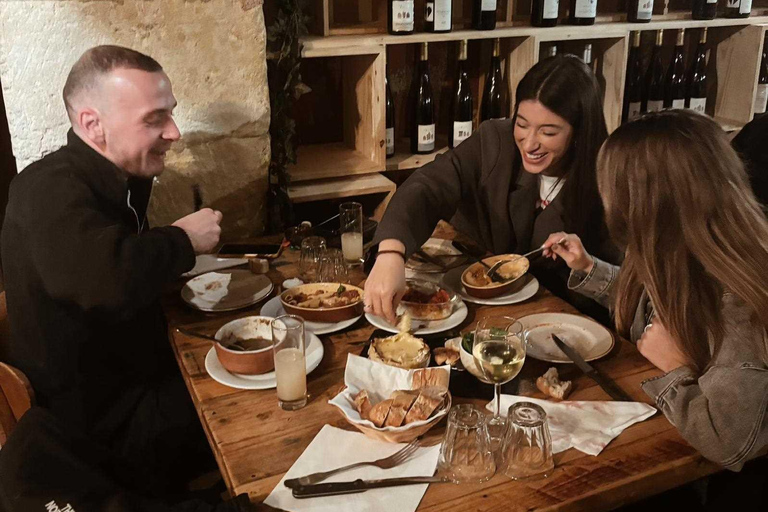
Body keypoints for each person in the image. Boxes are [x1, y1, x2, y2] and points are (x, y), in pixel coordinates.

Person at [1, 46, 222, 498]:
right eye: (154, 118)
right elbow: (109, 279)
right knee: (260, 392)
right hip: (101, 432)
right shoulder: (46, 189)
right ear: (92, 125)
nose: (174, 132)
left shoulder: (120, 177)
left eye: (171, 114)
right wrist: (182, 240)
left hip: (136, 386)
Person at [544, 110, 768, 472]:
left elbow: (729, 441)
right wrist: (589, 269)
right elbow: (657, 313)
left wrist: (675, 369)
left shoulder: (740, 297)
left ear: (648, 204)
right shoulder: (678, 248)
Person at [365, 55, 620, 325]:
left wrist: (585, 264)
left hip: (561, 325)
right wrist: (390, 254)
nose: (529, 143)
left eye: (548, 132)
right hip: (478, 309)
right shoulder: (495, 141)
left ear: (579, 132)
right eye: (521, 125)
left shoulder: (609, 180)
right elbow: (428, 185)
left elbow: (629, 289)